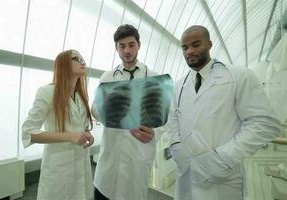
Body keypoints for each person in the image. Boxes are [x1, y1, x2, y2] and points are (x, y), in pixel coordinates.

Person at [168, 25, 282, 200]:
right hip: (186, 173)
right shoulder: (179, 85)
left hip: (221, 178)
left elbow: (265, 123)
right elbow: (174, 117)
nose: (190, 51)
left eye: (196, 45)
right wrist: (176, 146)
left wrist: (221, 158)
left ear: (209, 44)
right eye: (185, 47)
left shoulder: (238, 76)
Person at [91, 24, 165, 200]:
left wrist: (155, 133)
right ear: (116, 48)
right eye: (122, 46)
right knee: (104, 192)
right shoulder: (108, 77)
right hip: (111, 155)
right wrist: (110, 108)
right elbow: (94, 109)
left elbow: (164, 118)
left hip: (138, 154)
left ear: (139, 45)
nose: (127, 50)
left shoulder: (154, 77)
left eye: (131, 45)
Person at [22, 49, 95, 200]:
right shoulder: (47, 92)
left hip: (81, 163)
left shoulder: (81, 95)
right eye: (76, 58)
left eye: (83, 58)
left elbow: (78, 125)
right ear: (63, 64)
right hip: (59, 167)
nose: (83, 61)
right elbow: (29, 132)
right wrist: (70, 136)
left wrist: (86, 133)